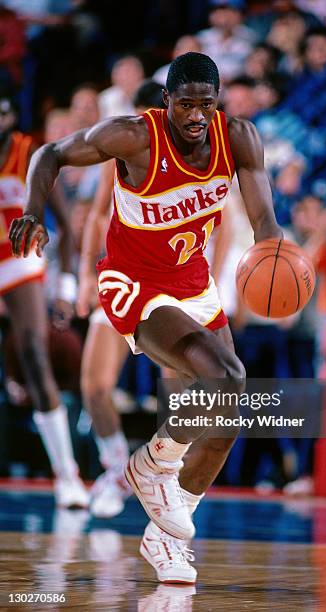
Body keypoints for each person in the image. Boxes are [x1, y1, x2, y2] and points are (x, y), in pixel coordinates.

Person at [9, 52, 282, 584]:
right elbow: (48, 153)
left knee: (226, 415)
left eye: (207, 103)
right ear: (167, 101)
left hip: (192, 283)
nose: (197, 114)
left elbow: (264, 218)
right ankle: (151, 461)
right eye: (186, 104)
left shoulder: (241, 138)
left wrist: (275, 255)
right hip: (135, 284)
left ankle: (166, 536)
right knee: (227, 376)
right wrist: (33, 213)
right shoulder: (134, 135)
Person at [76, 80, 166, 519]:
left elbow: (218, 227)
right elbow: (95, 214)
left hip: (172, 283)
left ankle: (168, 473)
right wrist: (81, 278)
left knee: (178, 386)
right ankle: (116, 468)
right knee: (94, 386)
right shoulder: (117, 154)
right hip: (122, 279)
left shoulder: (193, 158)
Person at [0, 91, 89, 508]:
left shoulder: (29, 153)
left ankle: (66, 473)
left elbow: (68, 228)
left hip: (19, 262)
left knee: (35, 353)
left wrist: (66, 289)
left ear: (11, 116)